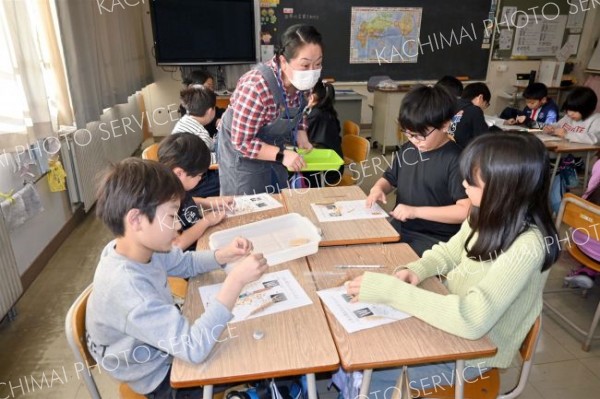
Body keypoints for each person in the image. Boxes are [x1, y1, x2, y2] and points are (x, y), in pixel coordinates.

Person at [348, 133, 560, 397]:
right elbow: (449, 252)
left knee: (371, 367)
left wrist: (392, 291)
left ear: (503, 189)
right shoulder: (484, 212)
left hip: (473, 354)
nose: (463, 185)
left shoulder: (528, 246)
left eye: (472, 182)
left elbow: (472, 319)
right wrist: (416, 270)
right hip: (450, 327)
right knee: (364, 350)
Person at [87, 158, 268, 397]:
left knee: (251, 341)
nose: (178, 225)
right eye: (172, 217)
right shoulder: (130, 289)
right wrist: (235, 281)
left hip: (168, 348)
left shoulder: (132, 247)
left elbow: (184, 262)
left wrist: (224, 255)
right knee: (260, 356)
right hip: (161, 378)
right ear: (136, 220)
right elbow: (194, 348)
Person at [218, 24, 322, 195]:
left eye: (318, 64)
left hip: (275, 149)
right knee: (247, 207)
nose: (312, 72)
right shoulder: (256, 87)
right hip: (244, 157)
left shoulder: (304, 80)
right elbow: (242, 142)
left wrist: (301, 133)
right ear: (283, 61)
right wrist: (282, 156)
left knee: (276, 199)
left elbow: (300, 109)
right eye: (305, 65)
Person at [366, 85, 470, 256]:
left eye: (420, 135)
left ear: (445, 125)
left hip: (436, 239)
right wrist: (378, 189)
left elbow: (465, 211)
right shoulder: (409, 149)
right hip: (401, 226)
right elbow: (390, 178)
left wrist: (415, 211)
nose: (415, 141)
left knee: (390, 265)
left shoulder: (457, 160)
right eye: (408, 134)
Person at [158, 133, 226, 251]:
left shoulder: (176, 187)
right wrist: (206, 221)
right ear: (179, 173)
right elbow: (176, 246)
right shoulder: (163, 203)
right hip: (187, 256)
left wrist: (207, 203)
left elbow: (186, 199)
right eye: (199, 175)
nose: (200, 179)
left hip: (200, 237)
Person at [173, 86, 221, 197]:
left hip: (181, 175)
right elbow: (208, 161)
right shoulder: (200, 133)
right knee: (230, 176)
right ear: (210, 111)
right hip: (192, 183)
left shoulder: (184, 121)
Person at [304, 80, 343, 187]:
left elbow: (302, 139)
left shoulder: (315, 116)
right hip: (334, 164)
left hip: (324, 171)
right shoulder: (329, 112)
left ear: (311, 98)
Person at [181, 69, 224, 137]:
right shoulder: (186, 108)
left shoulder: (206, 103)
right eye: (208, 86)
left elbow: (217, 111)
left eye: (212, 87)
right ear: (192, 87)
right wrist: (215, 121)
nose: (211, 90)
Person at [450, 82, 492, 149]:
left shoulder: (452, 103)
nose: (483, 108)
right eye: (486, 104)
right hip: (463, 152)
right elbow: (484, 139)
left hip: (448, 149)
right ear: (480, 97)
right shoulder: (475, 110)